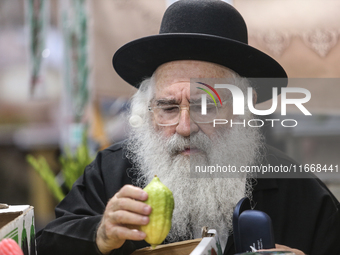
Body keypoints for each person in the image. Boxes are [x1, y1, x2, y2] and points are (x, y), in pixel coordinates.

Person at [36, 1, 340, 255]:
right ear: (149, 110)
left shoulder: (296, 189)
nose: (185, 127)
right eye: (168, 108)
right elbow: (46, 244)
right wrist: (99, 234)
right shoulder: (111, 172)